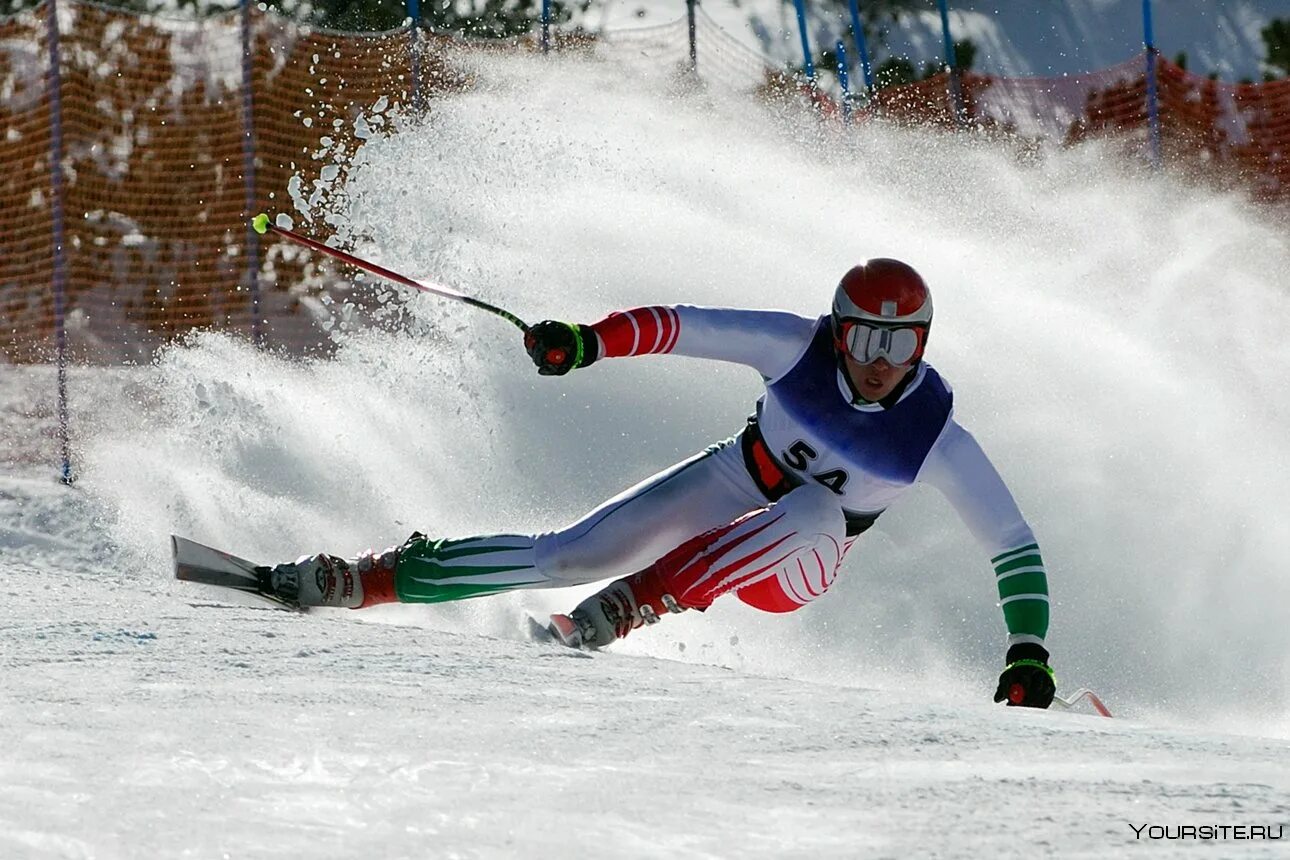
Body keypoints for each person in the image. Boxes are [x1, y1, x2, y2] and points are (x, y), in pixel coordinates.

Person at [264, 259, 1057, 708]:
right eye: (863, 335)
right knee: (569, 555)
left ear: (921, 344)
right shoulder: (793, 345)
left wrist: (1028, 650)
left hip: (796, 567)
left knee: (816, 509)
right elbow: (681, 326)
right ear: (838, 328)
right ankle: (368, 578)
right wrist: (586, 344)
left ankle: (640, 601)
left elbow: (1011, 543)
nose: (878, 357)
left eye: (898, 341)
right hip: (736, 482)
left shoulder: (934, 433)